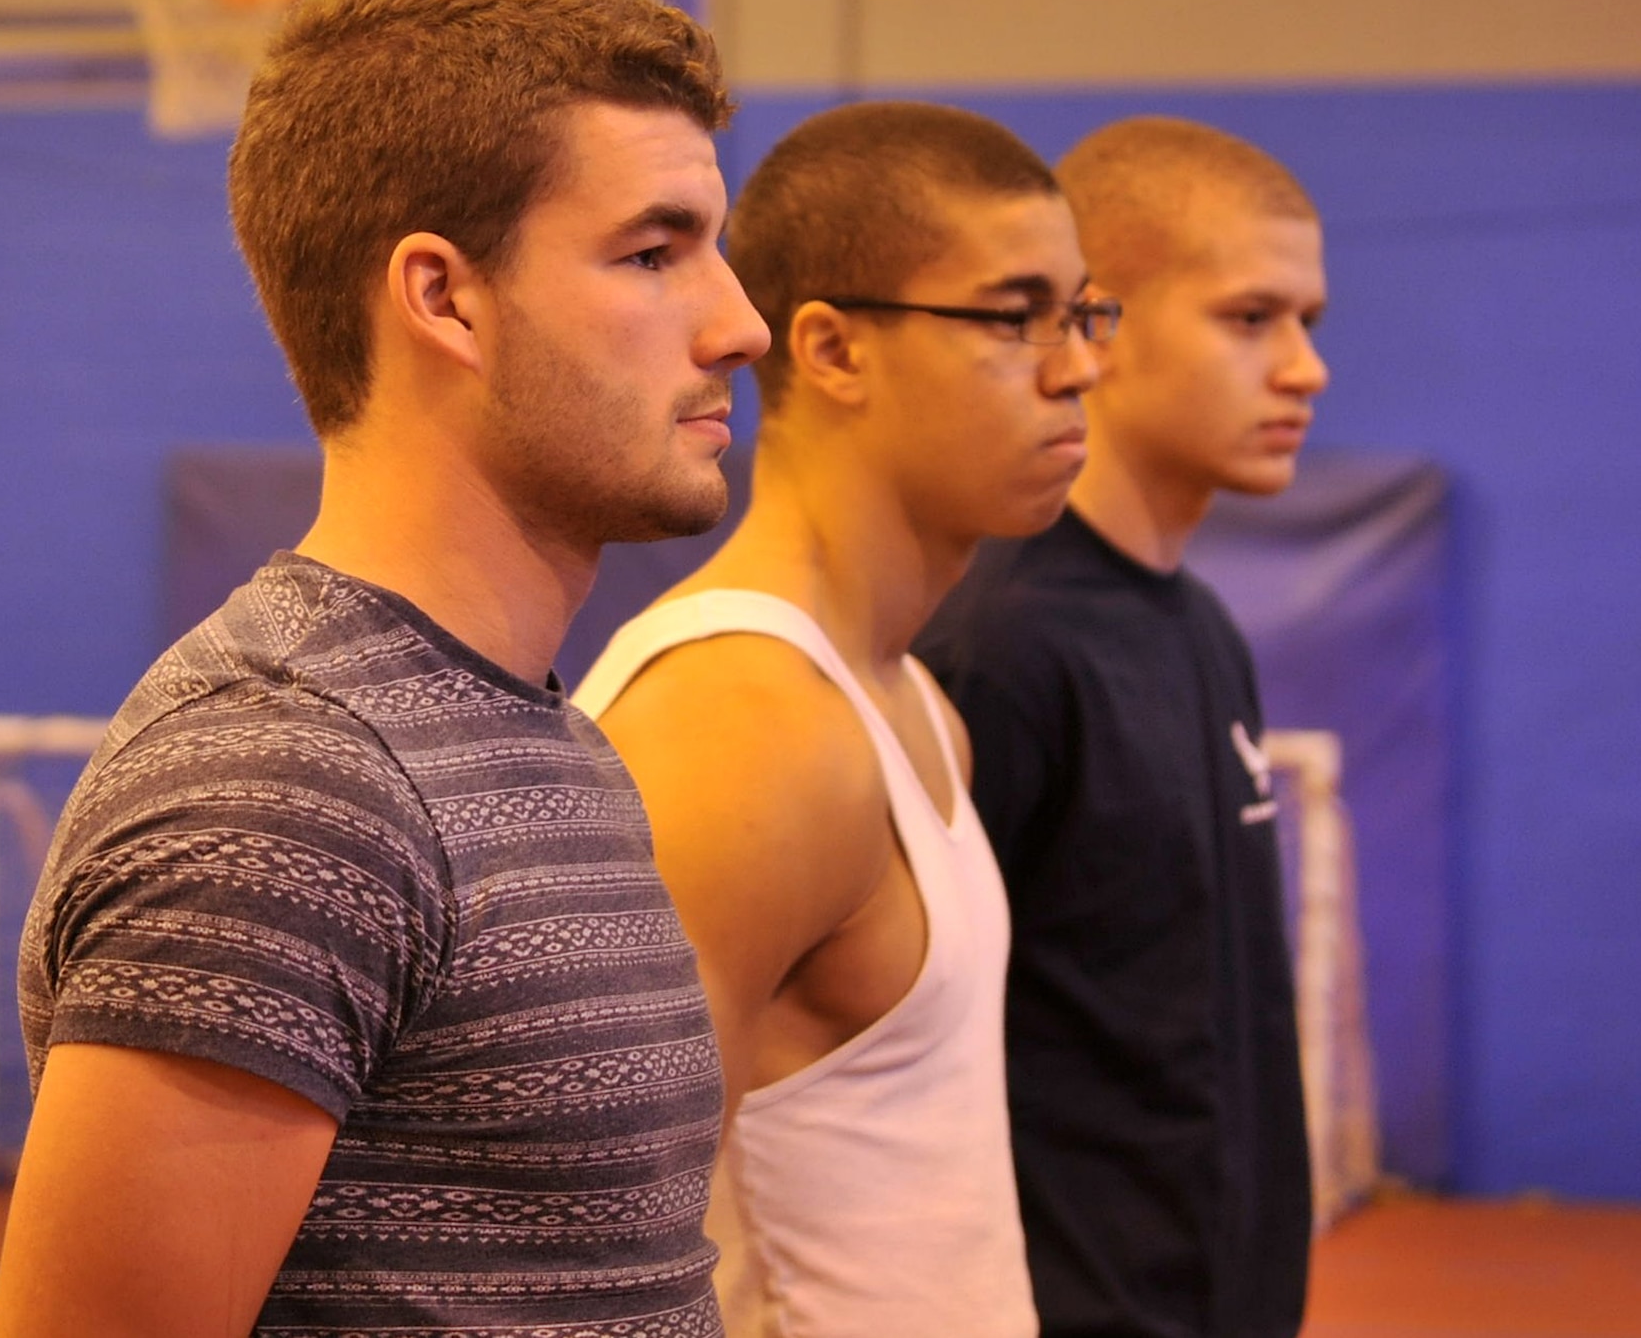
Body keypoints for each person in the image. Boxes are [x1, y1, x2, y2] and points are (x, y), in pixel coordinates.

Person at [0, 0, 768, 1338]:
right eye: (654, 253)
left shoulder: (545, 737)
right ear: (444, 298)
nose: (739, 323)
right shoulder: (283, 783)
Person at [570, 100, 1109, 1338]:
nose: (1077, 367)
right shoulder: (742, 722)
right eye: (1013, 316)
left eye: (1083, 314)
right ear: (832, 350)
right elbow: (599, 1258)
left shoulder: (914, 703)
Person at [917, 116, 1331, 1338]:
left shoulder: (1201, 629)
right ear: (1094, 323)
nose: (1304, 367)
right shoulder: (997, 647)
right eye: (1250, 318)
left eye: (1309, 321)